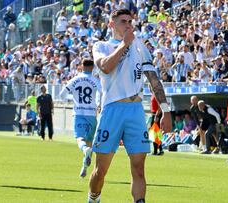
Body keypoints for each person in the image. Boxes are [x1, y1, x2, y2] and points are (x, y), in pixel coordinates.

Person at [88, 9, 172, 203]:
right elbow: (106, 67)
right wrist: (124, 44)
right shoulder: (101, 46)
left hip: (135, 111)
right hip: (112, 110)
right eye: (123, 21)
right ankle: (93, 198)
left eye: (130, 22)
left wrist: (166, 110)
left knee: (139, 169)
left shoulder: (140, 47)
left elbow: (153, 79)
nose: (128, 25)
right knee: (101, 170)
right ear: (111, 24)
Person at [60, 58, 102, 178]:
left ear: (81, 67)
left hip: (78, 113)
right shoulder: (95, 80)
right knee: (89, 142)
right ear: (92, 67)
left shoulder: (75, 79)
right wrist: (99, 104)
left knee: (79, 139)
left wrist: (73, 99)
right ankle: (84, 166)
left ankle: (84, 151)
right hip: (92, 114)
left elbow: (62, 94)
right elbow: (103, 92)